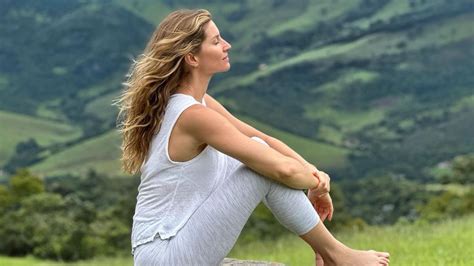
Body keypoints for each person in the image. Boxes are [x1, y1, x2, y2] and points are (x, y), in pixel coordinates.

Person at [115, 8, 390, 266]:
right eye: (216, 41)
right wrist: (316, 183)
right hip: (166, 254)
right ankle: (335, 254)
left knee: (259, 152)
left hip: (171, 245)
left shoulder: (199, 104)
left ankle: (328, 252)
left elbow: (266, 140)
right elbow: (281, 169)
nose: (227, 45)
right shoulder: (193, 115)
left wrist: (314, 174)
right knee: (262, 169)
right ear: (192, 58)